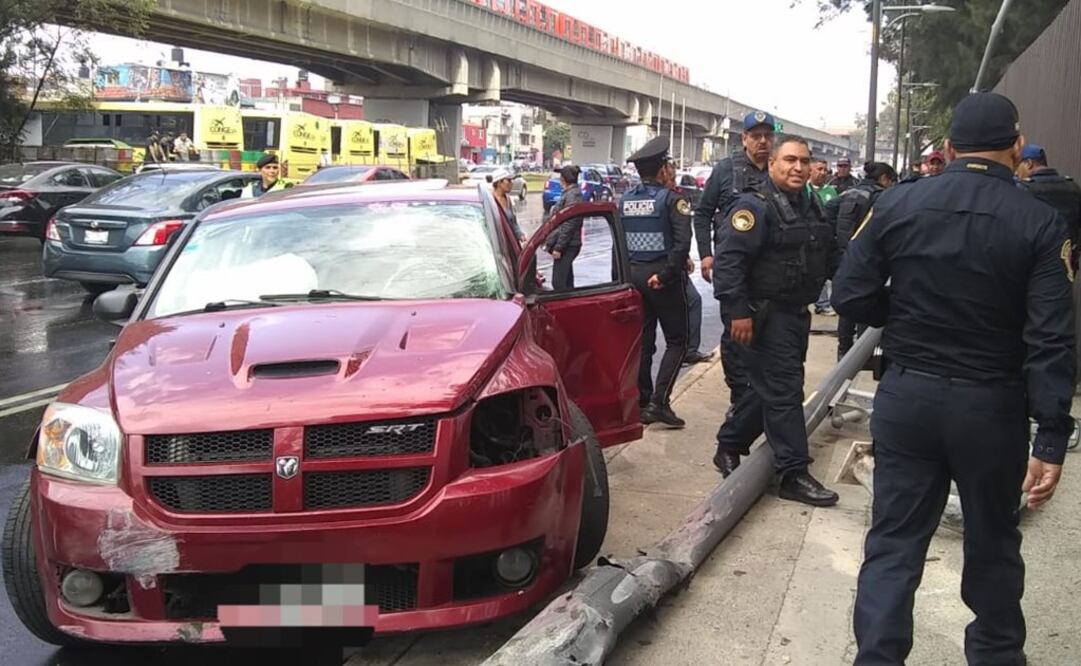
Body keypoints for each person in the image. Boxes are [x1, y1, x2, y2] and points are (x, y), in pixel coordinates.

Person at [833, 92, 1074, 665]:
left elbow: (850, 294)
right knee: (993, 546)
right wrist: (1051, 436)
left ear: (948, 149)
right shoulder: (1040, 221)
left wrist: (909, 314)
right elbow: (1051, 340)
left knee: (892, 546)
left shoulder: (897, 205)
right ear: (1016, 148)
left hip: (908, 397)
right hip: (991, 407)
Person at [710, 135, 840, 507]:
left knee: (769, 388)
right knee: (784, 391)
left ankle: (730, 443)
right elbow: (729, 262)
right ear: (772, 165)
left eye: (804, 160)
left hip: (794, 313)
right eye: (789, 160)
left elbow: (827, 256)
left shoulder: (810, 206)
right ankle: (793, 472)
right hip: (760, 316)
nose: (798, 167)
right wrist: (737, 312)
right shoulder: (753, 206)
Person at [693, 110, 776, 408]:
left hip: (770, 272)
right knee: (737, 341)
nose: (763, 142)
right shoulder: (726, 170)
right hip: (735, 270)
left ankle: (760, 403)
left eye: (768, 136)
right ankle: (739, 405)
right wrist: (705, 254)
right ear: (744, 139)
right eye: (756, 136)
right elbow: (702, 213)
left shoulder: (778, 169)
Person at [620, 137, 692, 427]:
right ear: (663, 169)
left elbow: (621, 245)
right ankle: (659, 403)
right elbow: (682, 244)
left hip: (635, 276)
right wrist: (665, 276)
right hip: (662, 277)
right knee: (678, 340)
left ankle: (641, 401)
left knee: (644, 342)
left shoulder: (626, 200)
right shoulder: (674, 199)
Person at [829, 161, 896, 359]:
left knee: (845, 306)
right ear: (884, 179)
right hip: (868, 259)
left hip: (844, 255)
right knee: (864, 304)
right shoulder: (883, 197)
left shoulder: (847, 193)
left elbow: (826, 213)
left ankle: (843, 352)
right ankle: (860, 356)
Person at [1016, 143, 1081, 267]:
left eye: (1018, 165)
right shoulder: (1073, 187)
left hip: (1036, 264)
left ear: (1028, 163)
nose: (1016, 172)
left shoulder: (1023, 189)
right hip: (1067, 260)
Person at [543, 165, 584, 290]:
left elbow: (569, 224)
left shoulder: (573, 195)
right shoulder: (570, 193)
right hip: (568, 243)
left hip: (568, 245)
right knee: (566, 281)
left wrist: (559, 247)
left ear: (564, 179)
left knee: (558, 283)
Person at [491, 168, 527, 244]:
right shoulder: (490, 200)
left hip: (509, 243)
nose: (512, 183)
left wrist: (520, 234)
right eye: (509, 180)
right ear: (499, 183)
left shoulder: (508, 200)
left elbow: (513, 222)